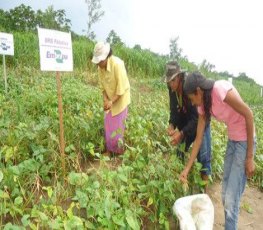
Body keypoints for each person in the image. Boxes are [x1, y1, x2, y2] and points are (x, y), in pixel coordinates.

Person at [181, 72, 256, 230]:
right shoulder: (203, 105)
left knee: (231, 199)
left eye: (192, 98)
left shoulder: (220, 90)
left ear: (199, 91)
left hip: (245, 142)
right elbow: (199, 139)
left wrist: (249, 157)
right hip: (232, 140)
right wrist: (186, 169)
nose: (193, 103)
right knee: (224, 195)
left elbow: (249, 114)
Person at [163, 61, 211, 186]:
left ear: (179, 77)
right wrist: (172, 124)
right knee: (179, 152)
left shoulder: (189, 87)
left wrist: (182, 133)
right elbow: (174, 109)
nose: (170, 84)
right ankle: (181, 183)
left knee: (203, 158)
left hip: (200, 123)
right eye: (169, 81)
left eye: (172, 81)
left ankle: (203, 191)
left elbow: (196, 118)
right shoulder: (172, 88)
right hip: (186, 124)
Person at [92, 42, 130, 155]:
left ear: (107, 56)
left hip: (121, 98)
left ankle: (119, 153)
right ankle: (109, 150)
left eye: (100, 61)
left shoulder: (117, 64)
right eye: (97, 61)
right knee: (108, 124)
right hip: (109, 99)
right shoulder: (100, 68)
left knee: (118, 127)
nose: (98, 64)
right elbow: (102, 88)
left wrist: (111, 101)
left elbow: (121, 89)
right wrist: (105, 100)